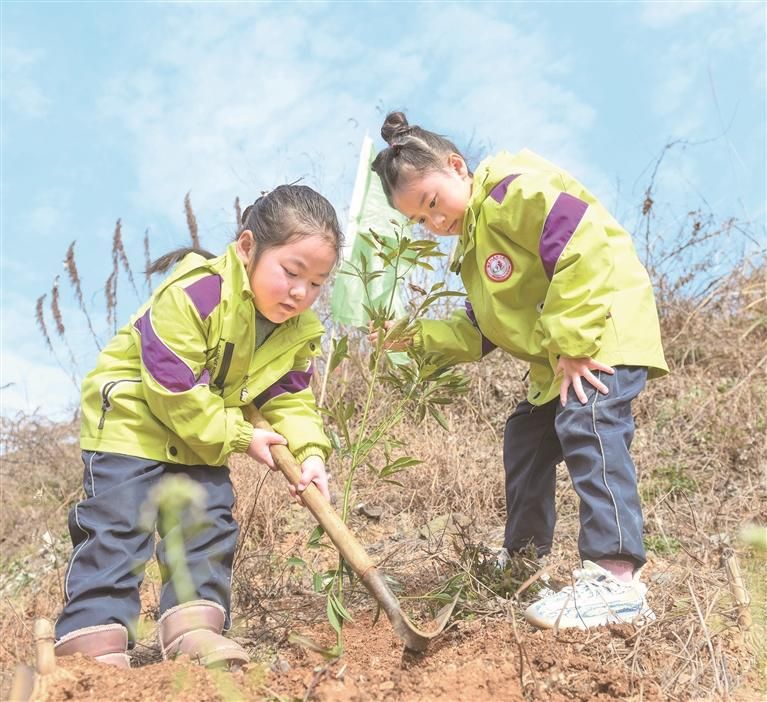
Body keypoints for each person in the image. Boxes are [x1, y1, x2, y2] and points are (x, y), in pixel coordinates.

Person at [369, 112, 668, 630]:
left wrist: (574, 344)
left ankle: (617, 580)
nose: (435, 224)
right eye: (420, 221)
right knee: (526, 437)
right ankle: (523, 564)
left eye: (433, 204)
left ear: (457, 167)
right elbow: (481, 329)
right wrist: (411, 337)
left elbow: (582, 241)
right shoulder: (474, 250)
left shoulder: (512, 192)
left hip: (602, 331)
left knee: (589, 420)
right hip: (562, 356)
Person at [54, 185, 342, 668]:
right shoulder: (196, 293)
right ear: (248, 247)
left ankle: (193, 627)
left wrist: (311, 453)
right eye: (291, 273)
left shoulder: (297, 331)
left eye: (316, 283)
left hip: (201, 435)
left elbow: (290, 398)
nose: (300, 293)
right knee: (120, 525)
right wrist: (242, 436)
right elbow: (172, 389)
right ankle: (92, 640)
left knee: (207, 522)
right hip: (133, 423)